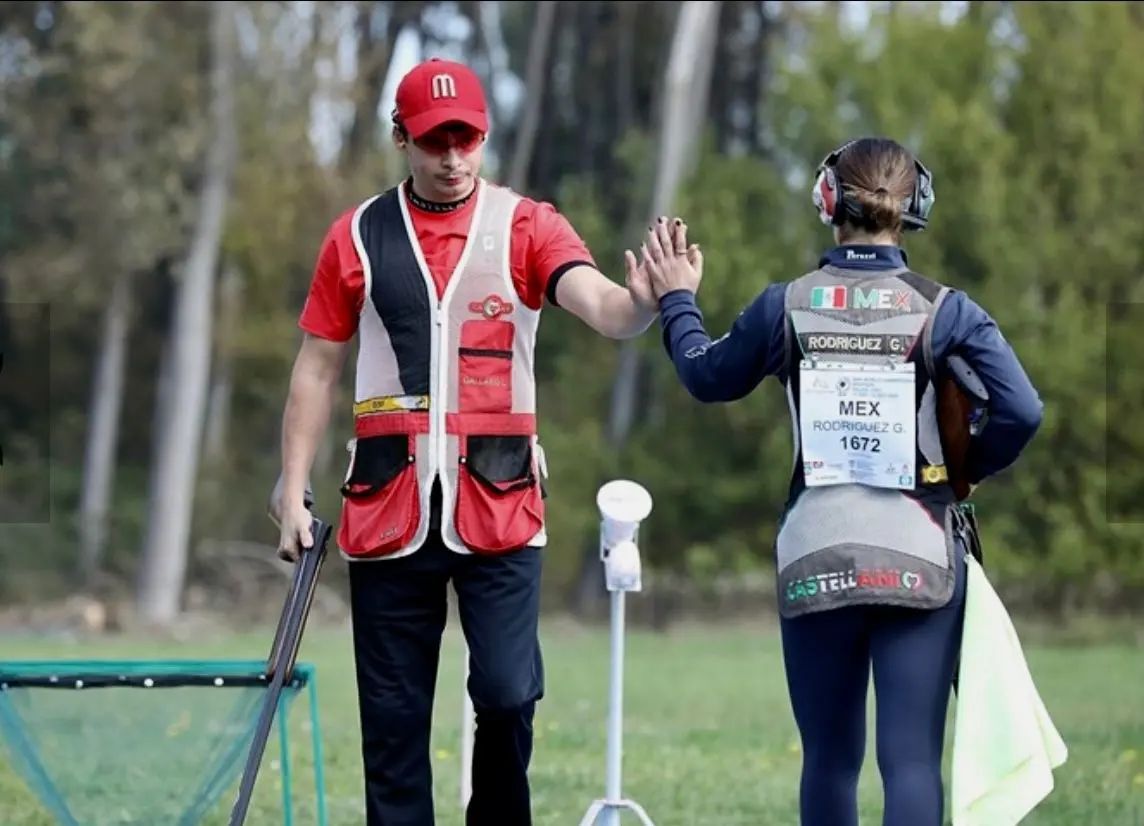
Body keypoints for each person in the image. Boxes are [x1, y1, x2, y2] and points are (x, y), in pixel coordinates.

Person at [273, 58, 659, 826]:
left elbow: (606, 308)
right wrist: (291, 486)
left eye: (467, 138)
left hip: (502, 503)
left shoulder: (527, 225)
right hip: (386, 506)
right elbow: (316, 368)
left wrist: (645, 302)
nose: (453, 157)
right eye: (434, 140)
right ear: (401, 138)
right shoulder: (356, 235)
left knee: (510, 695)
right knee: (393, 725)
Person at [636, 137, 1044, 826]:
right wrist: (965, 472)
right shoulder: (947, 310)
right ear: (914, 205)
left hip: (814, 552)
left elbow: (704, 374)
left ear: (828, 200)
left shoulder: (785, 305)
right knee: (911, 762)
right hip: (920, 554)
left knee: (828, 760)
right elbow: (1023, 411)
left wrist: (678, 299)